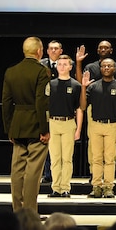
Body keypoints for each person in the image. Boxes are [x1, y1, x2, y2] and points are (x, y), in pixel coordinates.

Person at [2, 36, 50, 213]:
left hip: (18, 125)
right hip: (36, 127)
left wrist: (9, 129)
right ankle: (29, 212)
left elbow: (6, 103)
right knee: (33, 171)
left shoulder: (11, 71)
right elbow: (41, 102)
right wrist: (45, 129)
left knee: (17, 169)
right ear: (39, 51)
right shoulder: (41, 71)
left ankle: (17, 210)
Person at [76, 41, 116, 184]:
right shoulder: (90, 67)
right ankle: (95, 176)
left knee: (110, 154)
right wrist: (78, 63)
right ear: (97, 50)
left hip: (112, 111)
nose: (103, 49)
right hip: (94, 106)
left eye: (106, 47)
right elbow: (81, 85)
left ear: (111, 50)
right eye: (101, 47)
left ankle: (108, 183)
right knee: (94, 148)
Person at [47, 55, 83, 198]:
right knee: (55, 157)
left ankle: (65, 187)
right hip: (53, 122)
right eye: (59, 64)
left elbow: (79, 109)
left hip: (68, 123)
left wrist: (78, 128)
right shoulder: (50, 84)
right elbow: (45, 107)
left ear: (70, 67)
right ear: (56, 66)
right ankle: (56, 187)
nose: (62, 66)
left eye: (65, 64)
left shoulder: (76, 85)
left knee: (67, 158)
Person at [40, 40, 75, 185]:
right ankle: (49, 177)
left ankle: (64, 184)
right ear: (47, 51)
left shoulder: (72, 81)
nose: (53, 51)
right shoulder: (40, 65)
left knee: (65, 156)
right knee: (51, 152)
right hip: (49, 114)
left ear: (61, 51)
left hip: (65, 116)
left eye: (56, 48)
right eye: (51, 49)